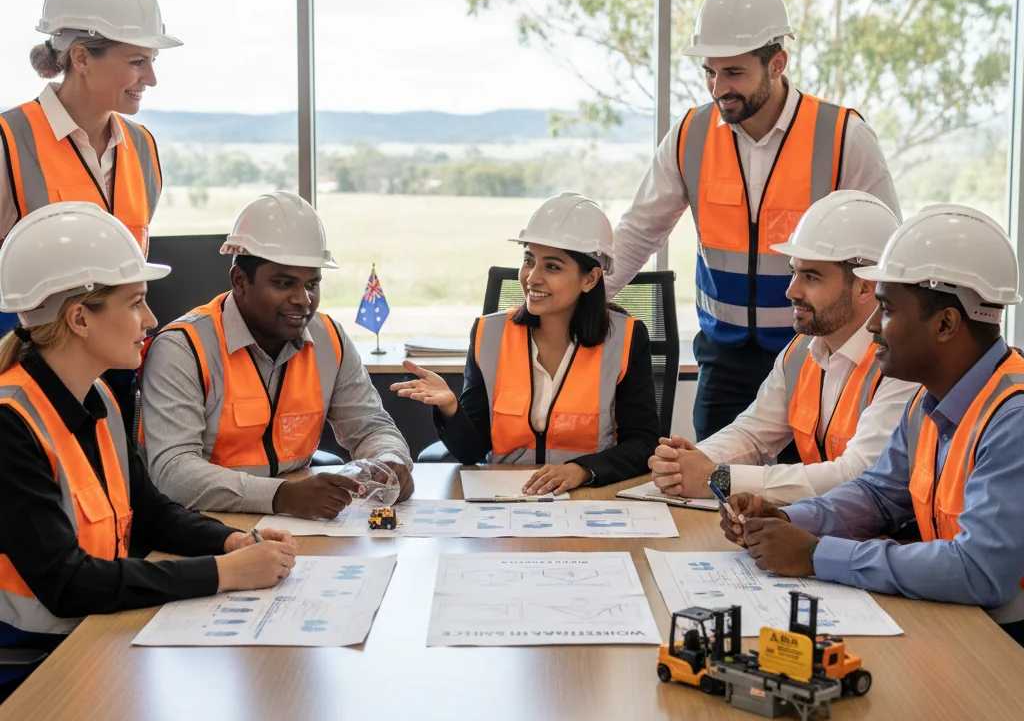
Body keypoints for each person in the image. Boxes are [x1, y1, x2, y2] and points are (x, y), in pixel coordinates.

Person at [0, 203, 296, 702]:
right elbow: (66, 583)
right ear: (79, 318)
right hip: (30, 668)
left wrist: (230, 542)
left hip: (92, 640)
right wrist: (223, 574)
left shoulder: (96, 397)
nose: (151, 320)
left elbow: (150, 513)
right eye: (136, 302)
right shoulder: (10, 424)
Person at [606, 0, 900, 441]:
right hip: (724, 359)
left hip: (817, 352)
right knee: (711, 476)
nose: (718, 88)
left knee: (805, 482)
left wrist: (884, 345)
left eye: (734, 73)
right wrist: (582, 298)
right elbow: (640, 231)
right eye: (709, 72)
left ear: (777, 63)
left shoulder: (843, 136)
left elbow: (886, 253)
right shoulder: (690, 135)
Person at [718, 205, 1024, 646]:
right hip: (964, 623)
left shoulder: (1013, 419)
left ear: (946, 323)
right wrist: (786, 517)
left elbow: (980, 571)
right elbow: (878, 495)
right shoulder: (928, 401)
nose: (874, 325)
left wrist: (817, 554)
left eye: (887, 309)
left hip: (1006, 644)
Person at [139, 191, 414, 518]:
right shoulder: (182, 348)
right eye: (284, 283)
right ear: (239, 281)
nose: (303, 299)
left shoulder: (330, 339)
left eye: (312, 284)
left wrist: (389, 461)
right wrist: (282, 496)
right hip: (204, 520)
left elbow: (371, 427)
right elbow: (173, 472)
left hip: (298, 521)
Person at [649, 191, 918, 505]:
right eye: (794, 272)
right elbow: (753, 433)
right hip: (827, 521)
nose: (791, 291)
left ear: (865, 288)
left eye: (811, 277)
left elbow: (855, 475)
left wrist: (717, 477)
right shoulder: (802, 352)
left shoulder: (903, 365)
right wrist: (687, 463)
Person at [0, 0, 181, 420]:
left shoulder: (143, 148)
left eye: (152, 61)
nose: (151, 79)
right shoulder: (8, 143)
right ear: (81, 58)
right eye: (137, 62)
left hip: (114, 378)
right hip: (26, 386)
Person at [391, 192, 660, 495]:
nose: (532, 278)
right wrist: (450, 408)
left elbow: (643, 443)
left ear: (590, 279)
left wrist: (582, 470)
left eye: (552, 266)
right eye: (529, 261)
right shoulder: (489, 335)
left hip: (587, 496)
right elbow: (472, 451)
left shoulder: (625, 339)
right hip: (507, 497)